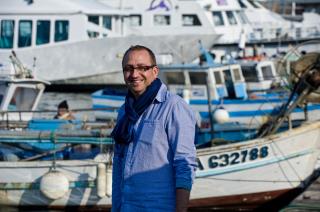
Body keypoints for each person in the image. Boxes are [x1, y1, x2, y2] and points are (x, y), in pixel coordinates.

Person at [111, 45, 197, 212]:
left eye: (142, 68)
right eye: (128, 69)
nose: (135, 74)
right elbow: (119, 164)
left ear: (155, 71)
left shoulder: (173, 107)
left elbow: (184, 163)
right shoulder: (124, 112)